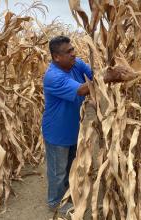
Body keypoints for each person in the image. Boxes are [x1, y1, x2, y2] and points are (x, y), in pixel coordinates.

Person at [42, 35, 94, 213]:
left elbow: (93, 75)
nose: (74, 54)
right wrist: (108, 77)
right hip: (57, 132)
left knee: (70, 166)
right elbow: (82, 89)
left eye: (73, 49)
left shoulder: (75, 63)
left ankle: (67, 193)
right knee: (58, 172)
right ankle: (55, 202)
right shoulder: (53, 76)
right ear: (57, 57)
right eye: (69, 52)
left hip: (73, 128)